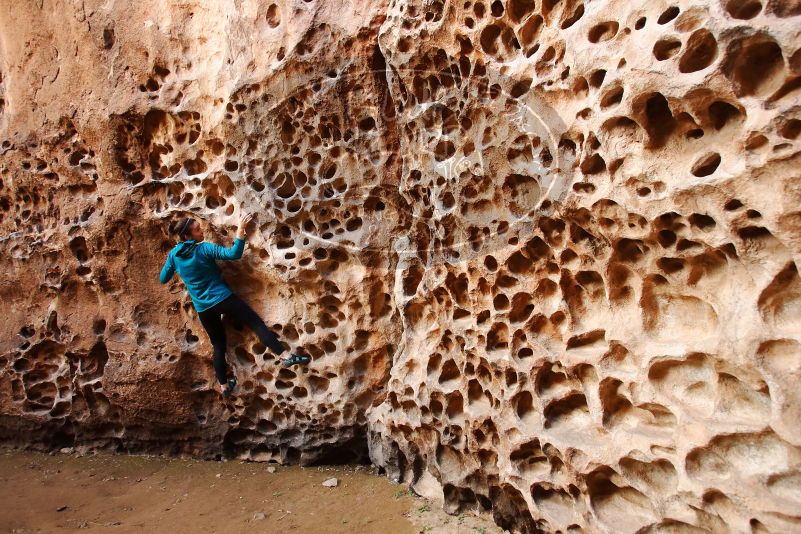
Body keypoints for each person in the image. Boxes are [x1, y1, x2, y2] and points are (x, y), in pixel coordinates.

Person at [159, 213, 310, 398]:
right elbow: (233, 254)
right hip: (223, 298)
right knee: (256, 324)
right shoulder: (203, 249)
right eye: (197, 230)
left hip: (204, 309)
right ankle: (285, 356)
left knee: (218, 345)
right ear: (187, 236)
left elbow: (163, 278)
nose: (202, 231)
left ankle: (224, 387)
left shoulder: (174, 255)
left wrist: (173, 259)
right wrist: (240, 231)